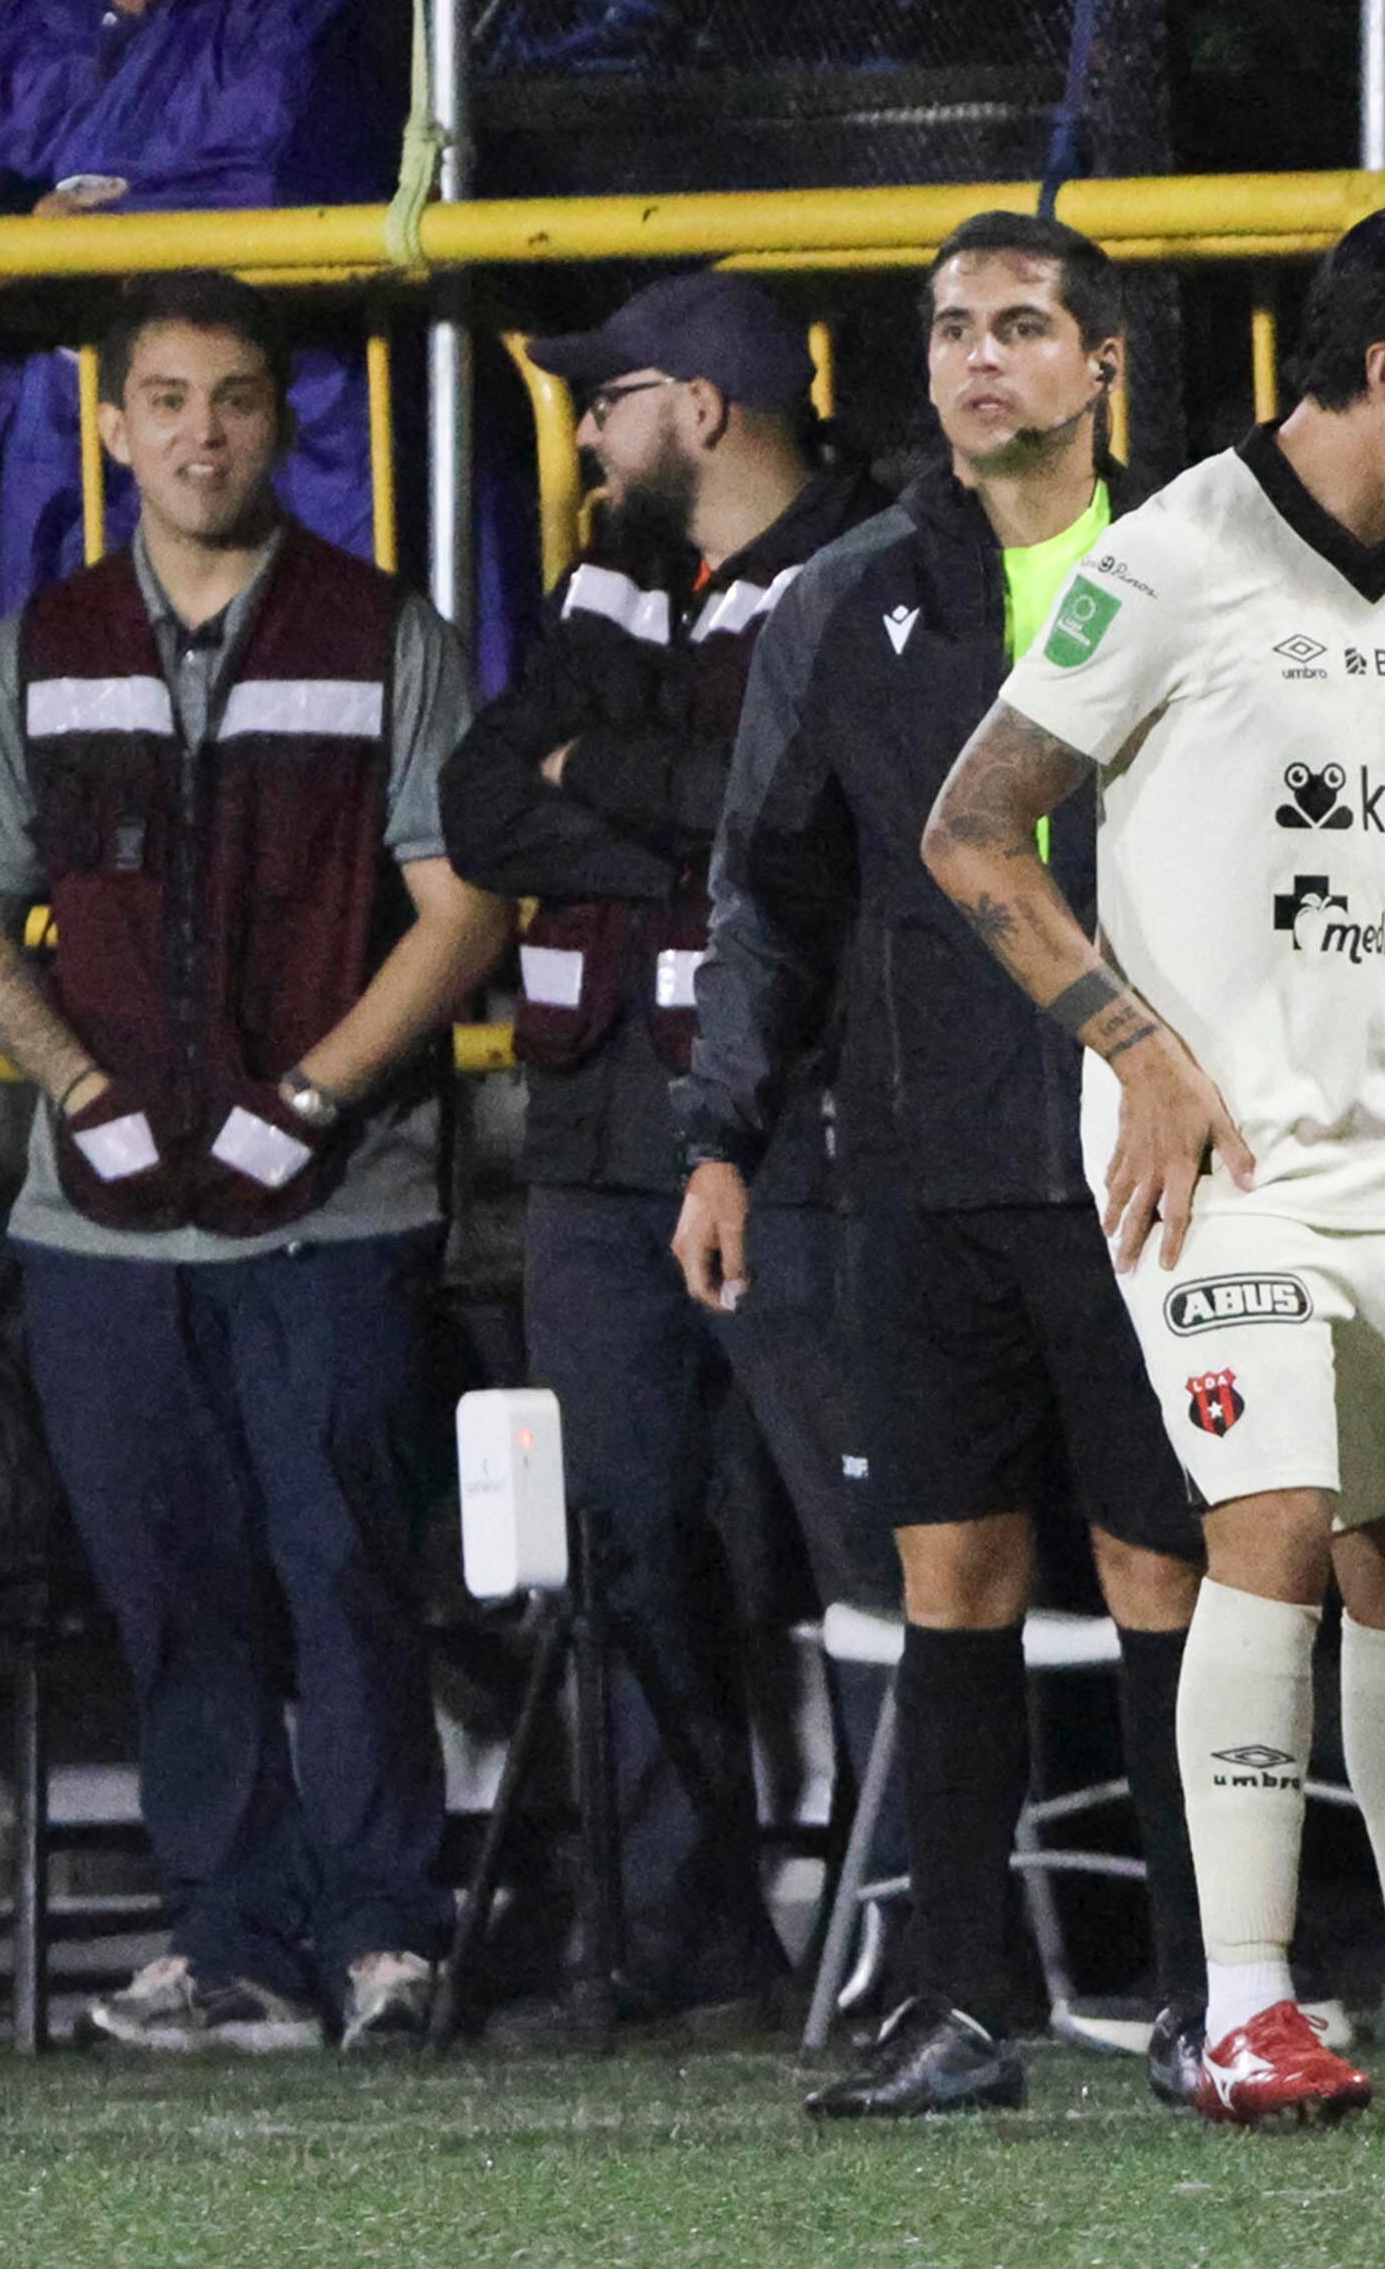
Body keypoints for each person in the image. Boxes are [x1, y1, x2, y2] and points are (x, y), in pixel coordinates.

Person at [921, 201, 1385, 2133]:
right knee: (1274, 1519)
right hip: (1212, 1154)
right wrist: (1134, 1046)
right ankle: (1242, 2007)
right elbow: (973, 829)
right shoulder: (1176, 555)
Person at [0, 270, 510, 2052]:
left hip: (337, 1210)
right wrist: (79, 1088)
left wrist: (319, 1095)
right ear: (114, 427)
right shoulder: (39, 646)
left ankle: (383, 1940)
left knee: (343, 1577)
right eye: (167, 399)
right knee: (171, 1594)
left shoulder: (380, 633)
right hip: (97, 1232)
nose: (201, 432)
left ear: (282, 421)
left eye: (237, 398)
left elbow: (466, 901)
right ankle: (233, 1938)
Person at [672, 215, 1213, 2118]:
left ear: (1102, 364)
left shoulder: (1201, 570)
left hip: (1155, 1166)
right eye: (954, 331)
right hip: (917, 1168)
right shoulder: (845, 602)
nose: (983, 359)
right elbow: (773, 892)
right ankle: (962, 2002)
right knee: (953, 1575)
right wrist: (723, 1137)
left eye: (1023, 327)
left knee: (1170, 1572)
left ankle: (1206, 1995)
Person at [439, 270, 889, 2019]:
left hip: (792, 1135)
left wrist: (611, 783)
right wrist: (683, 808)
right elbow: (484, 806)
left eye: (606, 401)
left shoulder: (866, 566)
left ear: (698, 411)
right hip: (590, 1135)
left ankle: (896, 1936)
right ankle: (667, 1940)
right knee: (616, 1549)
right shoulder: (609, 573)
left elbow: (810, 830)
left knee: (863, 1547)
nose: (589, 434)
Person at [0, 0, 395, 634]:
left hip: (266, 430)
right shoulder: (19, 32)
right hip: (58, 453)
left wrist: (69, 250)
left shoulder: (293, 7)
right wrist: (16, 224)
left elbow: (269, 174)